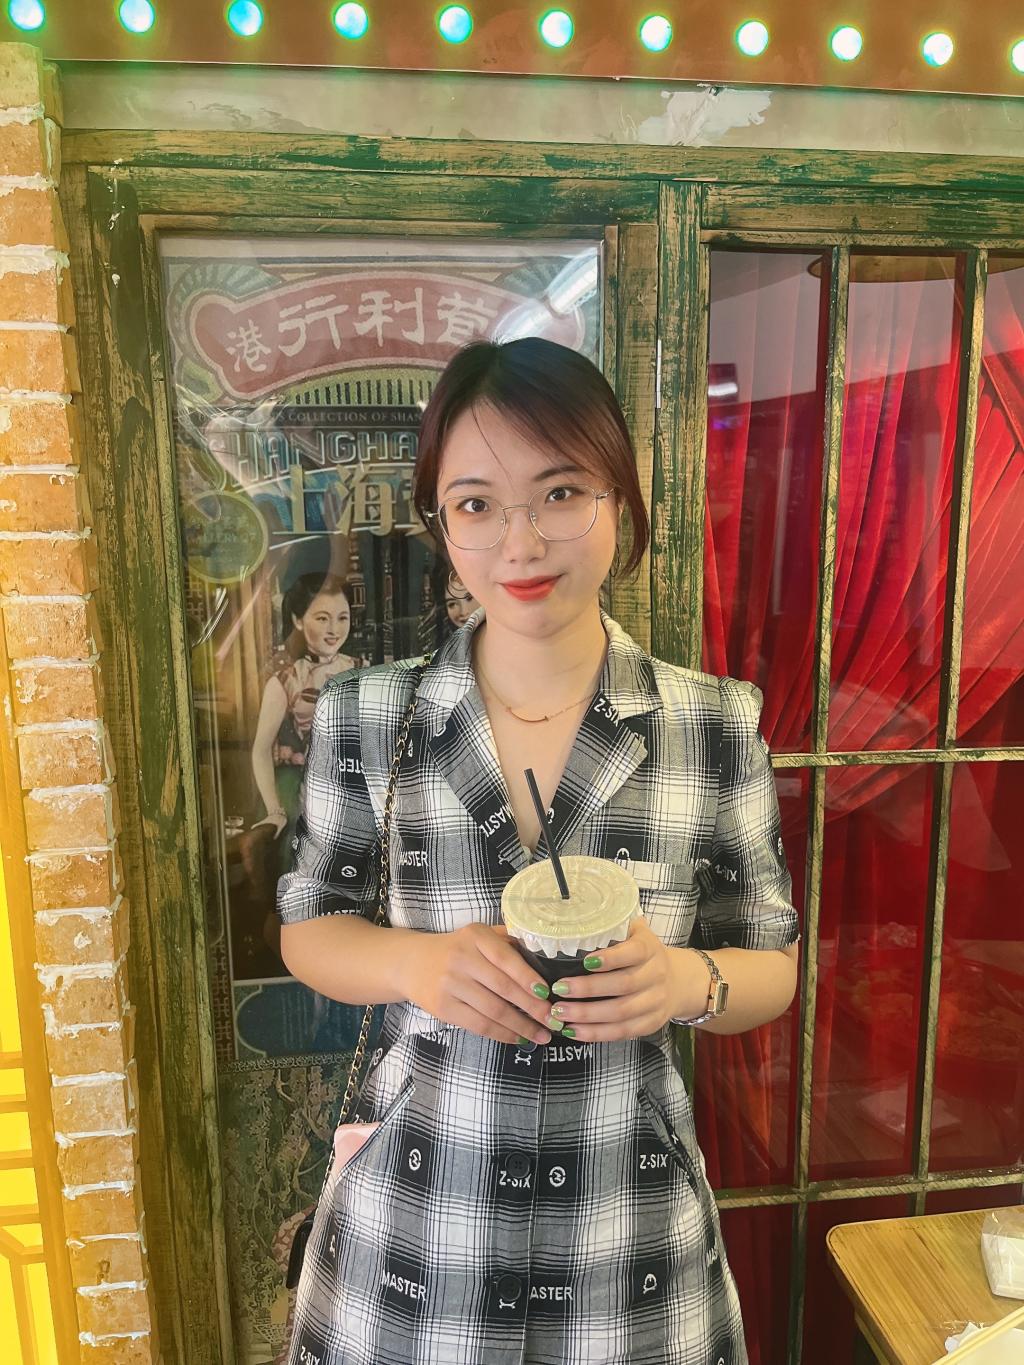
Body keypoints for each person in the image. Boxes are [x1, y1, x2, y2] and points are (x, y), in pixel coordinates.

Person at [277, 338, 800, 1365]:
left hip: (625, 1235)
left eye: (560, 492)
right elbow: (310, 928)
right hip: (421, 1234)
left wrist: (680, 981)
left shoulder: (709, 724)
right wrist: (418, 963)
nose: (519, 543)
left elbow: (770, 963)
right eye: (475, 504)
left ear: (618, 497)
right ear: (440, 521)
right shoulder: (368, 717)